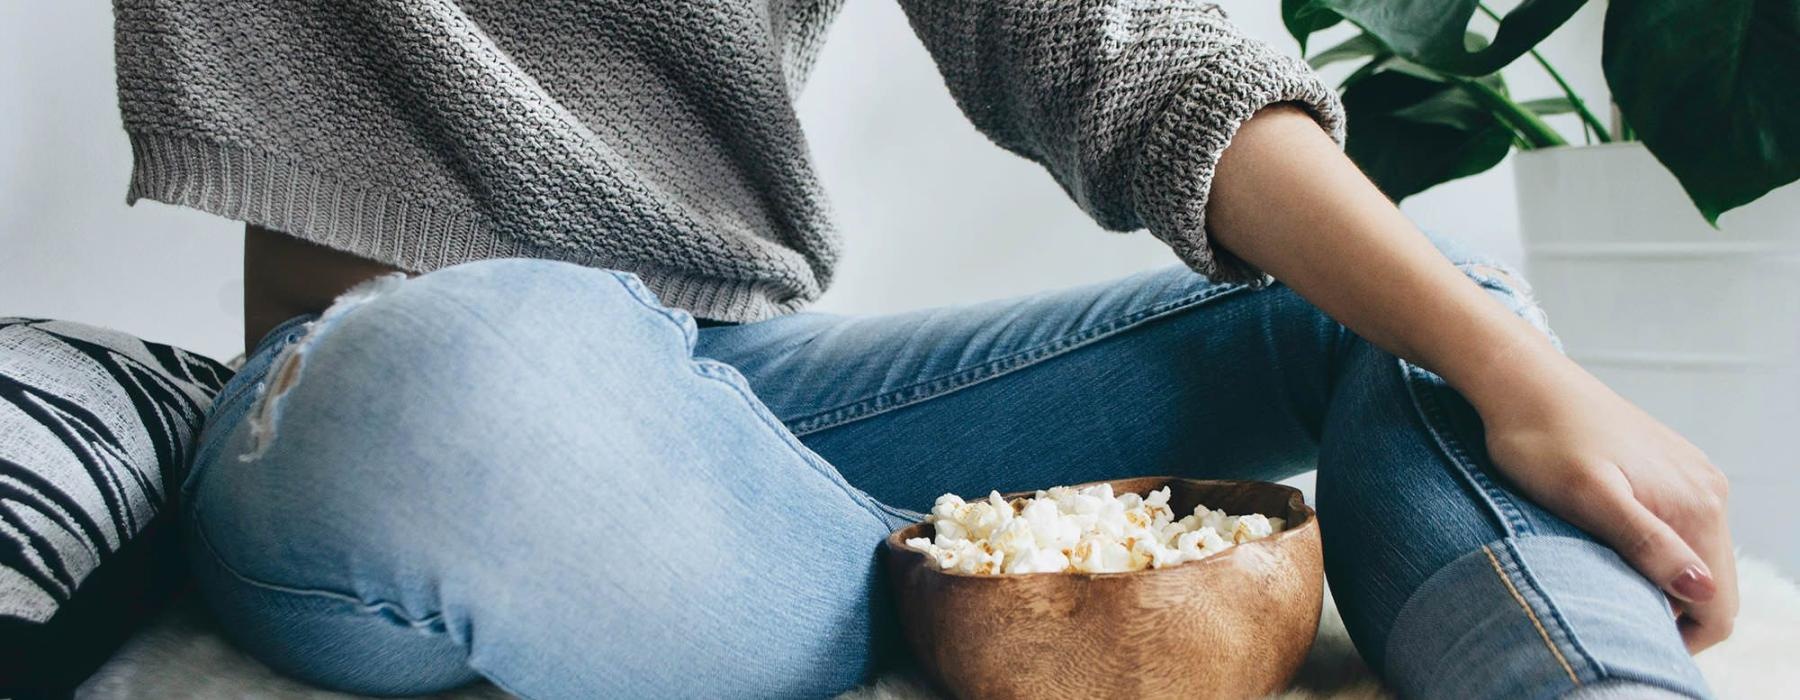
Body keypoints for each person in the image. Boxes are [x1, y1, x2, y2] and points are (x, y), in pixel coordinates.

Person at [115, 1, 1732, 698]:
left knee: (1421, 288)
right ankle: (931, 597)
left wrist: (1525, 374)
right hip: (378, 417)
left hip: (731, 397)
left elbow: (1111, 49)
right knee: (475, 368)